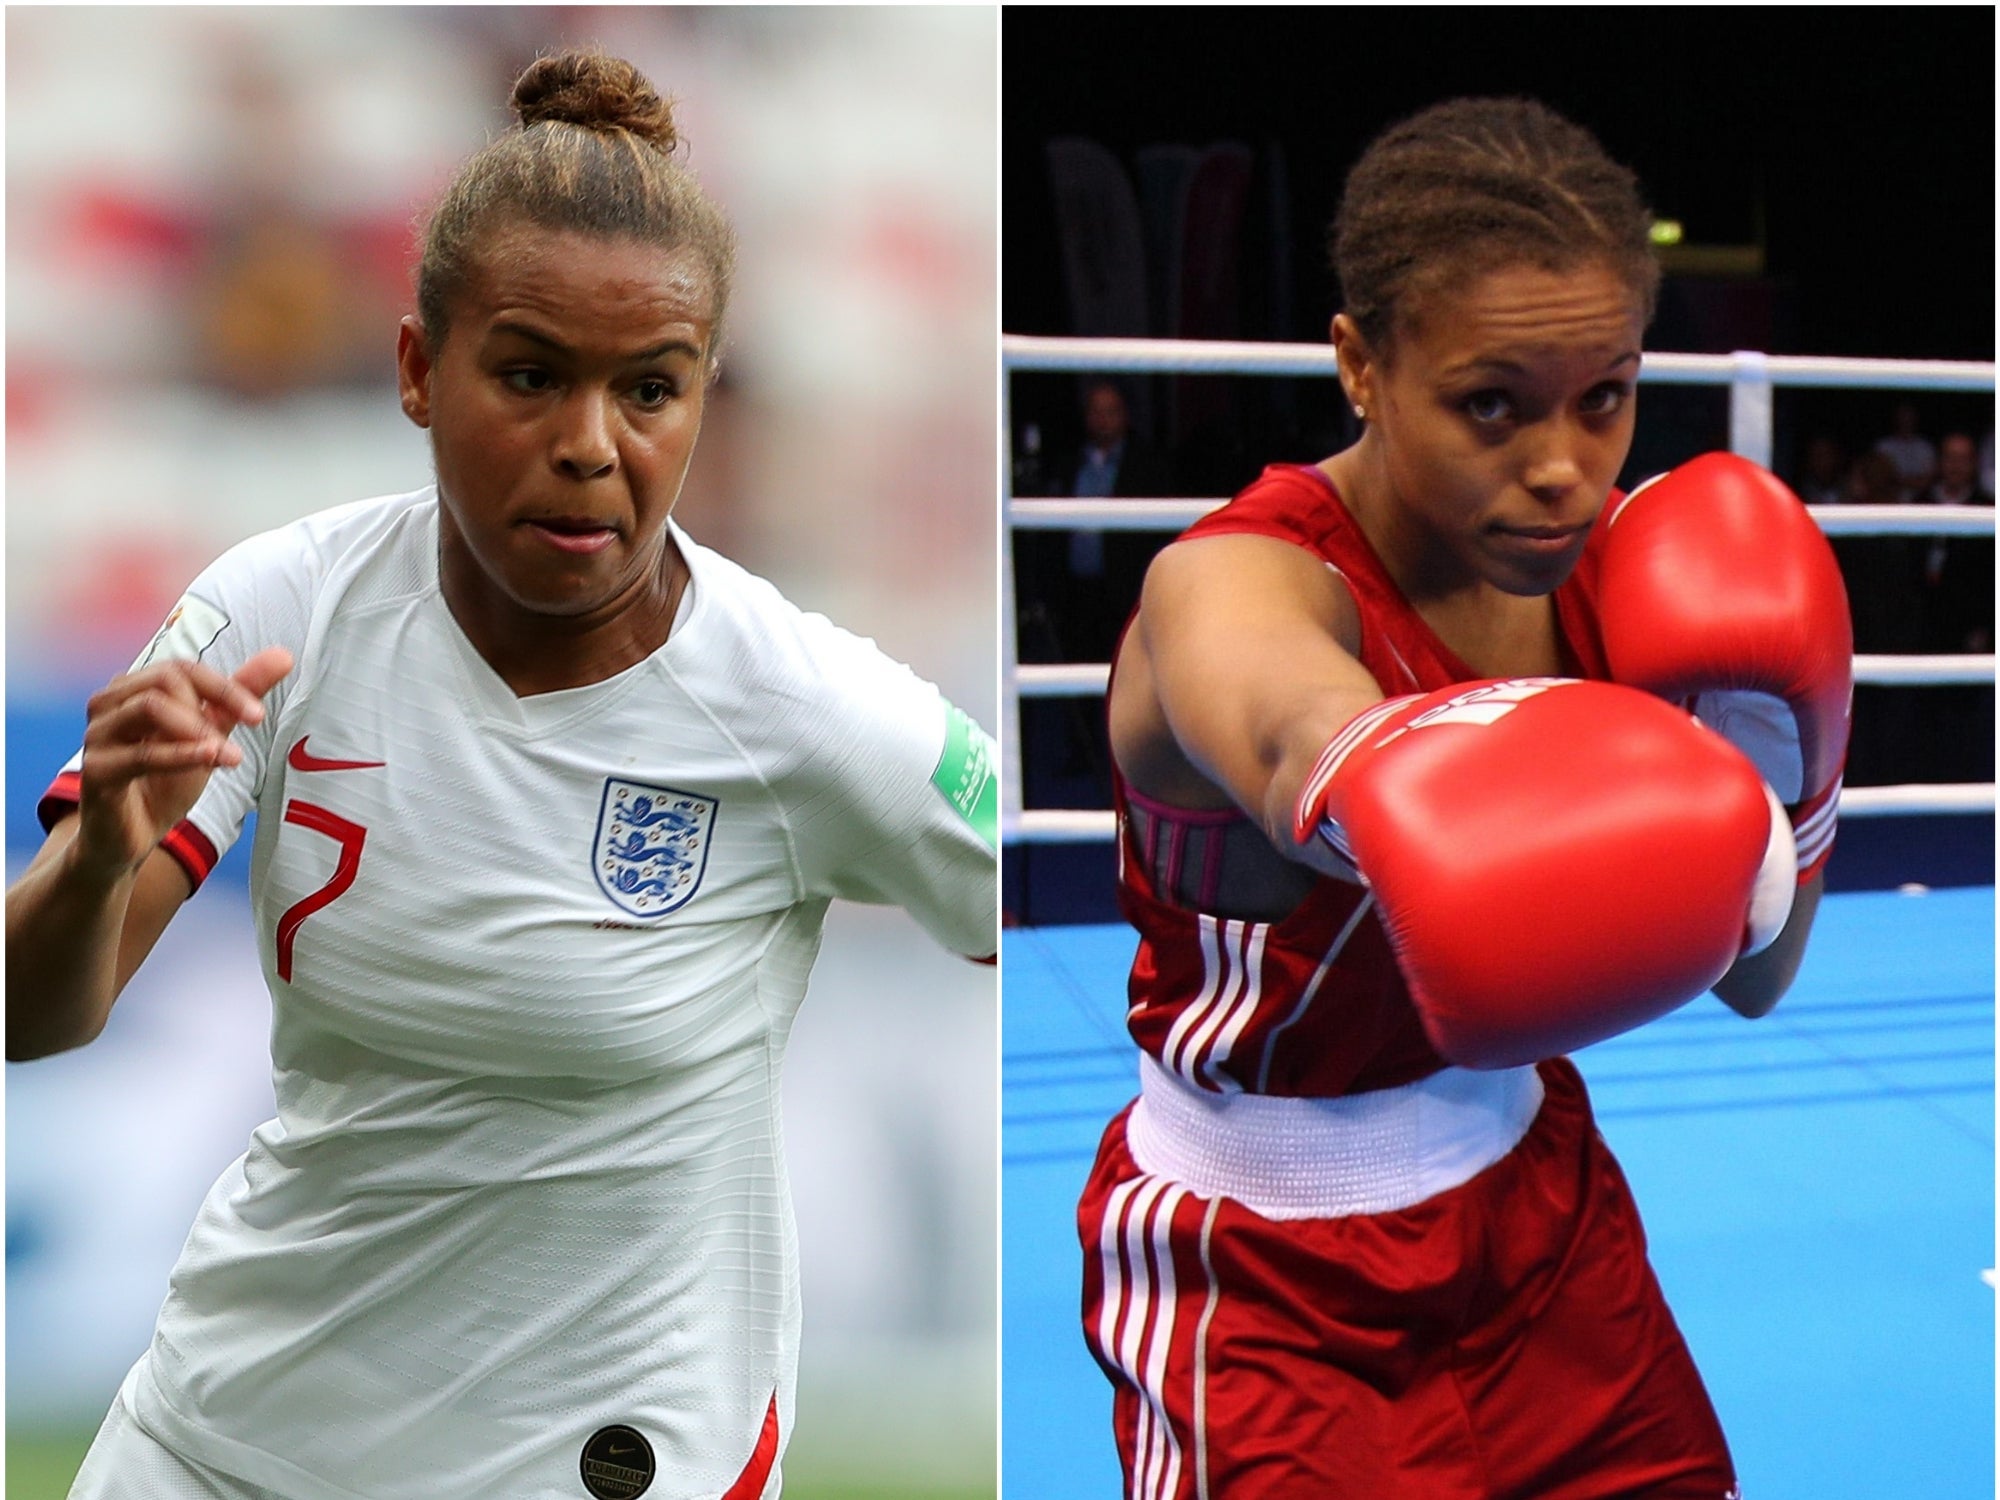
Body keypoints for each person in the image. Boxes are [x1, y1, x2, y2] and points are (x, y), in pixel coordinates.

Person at [7, 49, 997, 1500]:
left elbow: (1097, 929)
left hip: (611, 1463)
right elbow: (38, 1018)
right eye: (530, 376)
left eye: (649, 389)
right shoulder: (280, 611)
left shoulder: (810, 710)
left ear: (701, 397)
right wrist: (98, 859)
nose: (591, 447)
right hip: (230, 1443)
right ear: (419, 369)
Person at [1077, 98, 1850, 1499]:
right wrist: (1400, 774)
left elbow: (1760, 976)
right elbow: (1293, 720)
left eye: (1603, 397)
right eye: (1491, 403)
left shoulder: (1622, 584)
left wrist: (1785, 767)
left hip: (1541, 1219)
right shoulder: (1239, 583)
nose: (1561, 466)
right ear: (1363, 365)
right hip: (1265, 1277)